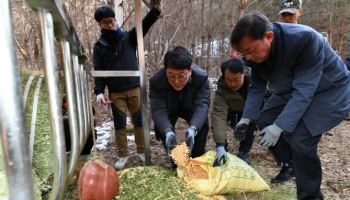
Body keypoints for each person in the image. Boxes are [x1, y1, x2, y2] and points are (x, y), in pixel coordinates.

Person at [230, 13, 350, 200]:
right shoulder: (253, 53)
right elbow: (257, 86)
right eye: (244, 54)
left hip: (330, 89)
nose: (249, 58)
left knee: (301, 140)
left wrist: (280, 127)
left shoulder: (305, 39)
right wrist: (247, 118)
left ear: (269, 36)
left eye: (251, 51)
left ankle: (310, 196)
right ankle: (291, 163)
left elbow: (305, 91)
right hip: (292, 88)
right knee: (264, 119)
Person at [93, 2, 161, 170]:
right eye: (104, 22)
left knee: (139, 121)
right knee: (120, 124)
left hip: (134, 88)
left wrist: (155, 11)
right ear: (100, 25)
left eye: (111, 21)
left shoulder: (128, 38)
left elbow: (143, 26)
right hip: (115, 92)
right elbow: (99, 70)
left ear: (115, 20)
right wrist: (100, 92)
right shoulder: (99, 46)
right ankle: (123, 155)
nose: (109, 24)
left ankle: (141, 151)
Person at [149, 46, 210, 163]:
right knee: (162, 128)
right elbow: (158, 110)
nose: (176, 81)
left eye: (181, 76)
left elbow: (202, 105)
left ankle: (196, 159)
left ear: (190, 71)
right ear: (165, 70)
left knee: (201, 126)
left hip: (191, 107)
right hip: (170, 108)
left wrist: (193, 128)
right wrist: (167, 131)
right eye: (171, 76)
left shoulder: (201, 78)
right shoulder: (156, 82)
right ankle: (176, 161)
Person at [212, 57, 256, 166]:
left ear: (243, 73)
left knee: (251, 125)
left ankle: (244, 152)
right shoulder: (221, 88)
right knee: (217, 122)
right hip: (230, 108)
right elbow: (219, 115)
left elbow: (259, 106)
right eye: (228, 80)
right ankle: (223, 149)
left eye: (236, 79)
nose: (232, 84)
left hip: (248, 110)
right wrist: (220, 145)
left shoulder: (255, 82)